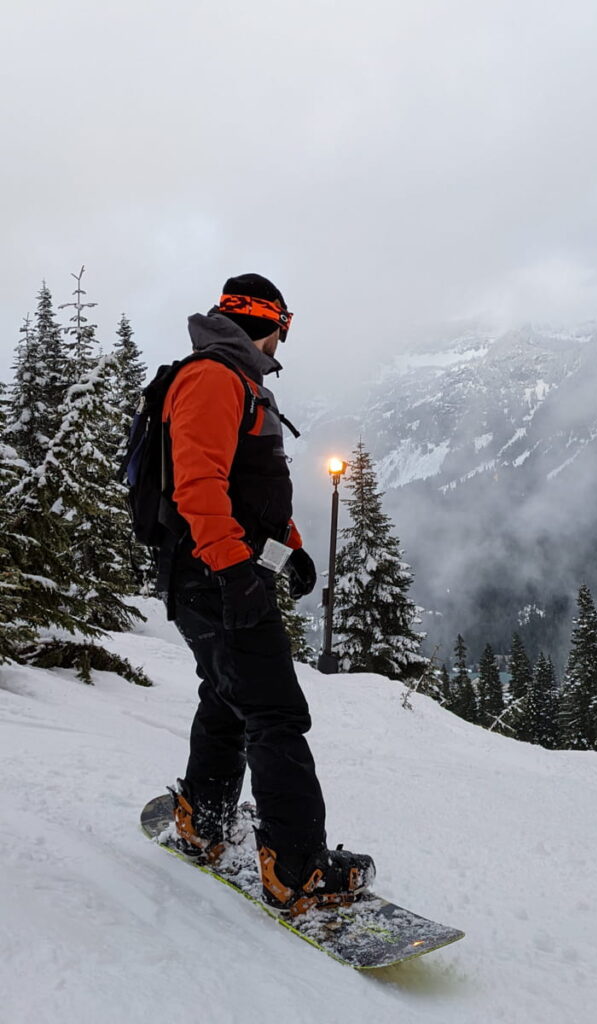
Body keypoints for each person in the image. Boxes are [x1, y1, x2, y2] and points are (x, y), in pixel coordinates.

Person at [158, 273, 374, 912]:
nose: (286, 339)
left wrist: (291, 552)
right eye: (286, 324)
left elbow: (255, 499)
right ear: (270, 321)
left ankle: (203, 819)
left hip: (214, 577)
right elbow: (198, 488)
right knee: (276, 714)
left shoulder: (238, 381)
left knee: (227, 697)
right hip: (215, 581)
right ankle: (297, 870)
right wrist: (235, 576)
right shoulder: (214, 379)